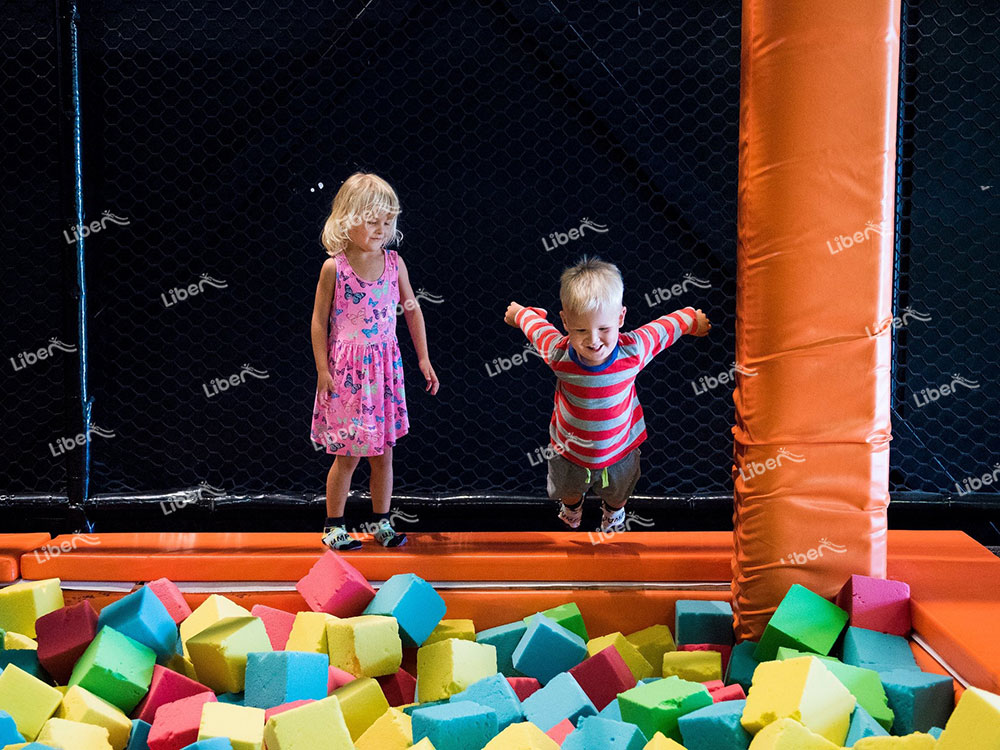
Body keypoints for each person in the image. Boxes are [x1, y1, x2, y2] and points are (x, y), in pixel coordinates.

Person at [504, 256, 710, 533]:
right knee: (569, 490)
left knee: (618, 491)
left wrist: (691, 320)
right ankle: (573, 507)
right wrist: (519, 314)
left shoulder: (633, 350)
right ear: (565, 321)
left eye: (603, 328)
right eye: (580, 330)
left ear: (620, 317)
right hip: (569, 449)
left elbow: (666, 326)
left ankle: (613, 511)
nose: (593, 340)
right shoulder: (558, 353)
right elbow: (536, 327)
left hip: (620, 447)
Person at [310, 173, 439, 550]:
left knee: (383, 453)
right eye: (373, 221)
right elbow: (319, 321)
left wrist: (424, 358)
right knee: (347, 456)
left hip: (383, 371)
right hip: (347, 374)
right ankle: (334, 525)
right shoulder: (335, 268)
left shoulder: (394, 263)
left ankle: (382, 521)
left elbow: (412, 310)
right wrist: (322, 369)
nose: (382, 229)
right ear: (348, 218)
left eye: (388, 221)